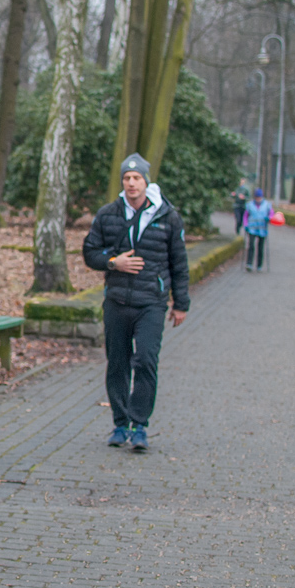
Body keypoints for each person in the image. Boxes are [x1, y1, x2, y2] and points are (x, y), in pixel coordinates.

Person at [82, 153, 190, 453]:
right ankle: (120, 423)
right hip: (116, 301)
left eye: (136, 178)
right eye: (126, 178)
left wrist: (181, 303)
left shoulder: (167, 215)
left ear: (146, 181)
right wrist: (113, 262)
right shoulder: (108, 214)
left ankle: (139, 424)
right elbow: (90, 253)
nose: (131, 183)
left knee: (145, 360)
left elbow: (179, 262)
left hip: (151, 303)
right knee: (117, 363)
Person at [244, 188, 273, 272]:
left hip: (262, 229)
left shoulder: (267, 205)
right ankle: (249, 263)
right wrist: (245, 225)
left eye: (259, 197)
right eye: (256, 197)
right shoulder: (249, 205)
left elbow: (271, 214)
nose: (258, 199)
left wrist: (269, 218)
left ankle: (259, 265)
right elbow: (245, 216)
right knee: (251, 246)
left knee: (260, 248)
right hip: (252, 228)